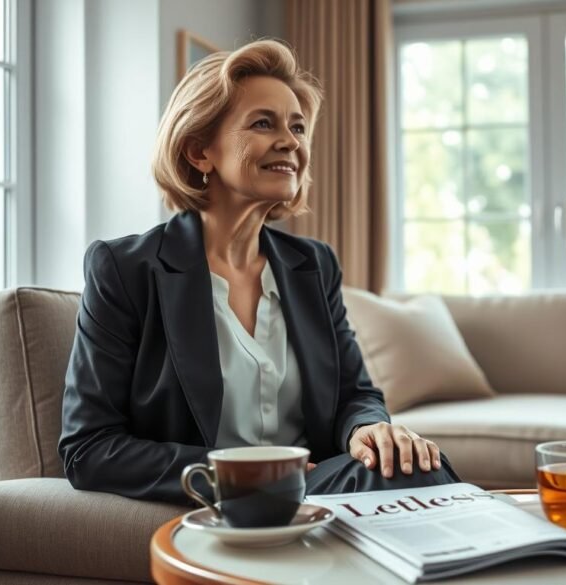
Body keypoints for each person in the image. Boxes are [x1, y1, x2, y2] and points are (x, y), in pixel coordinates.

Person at [58, 39, 459, 505]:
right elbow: (89, 447)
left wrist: (368, 429)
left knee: (414, 460)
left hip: (320, 491)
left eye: (298, 126)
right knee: (398, 482)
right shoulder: (125, 270)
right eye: (263, 123)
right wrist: (248, 473)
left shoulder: (313, 265)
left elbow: (355, 394)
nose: (291, 141)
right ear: (198, 152)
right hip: (224, 499)